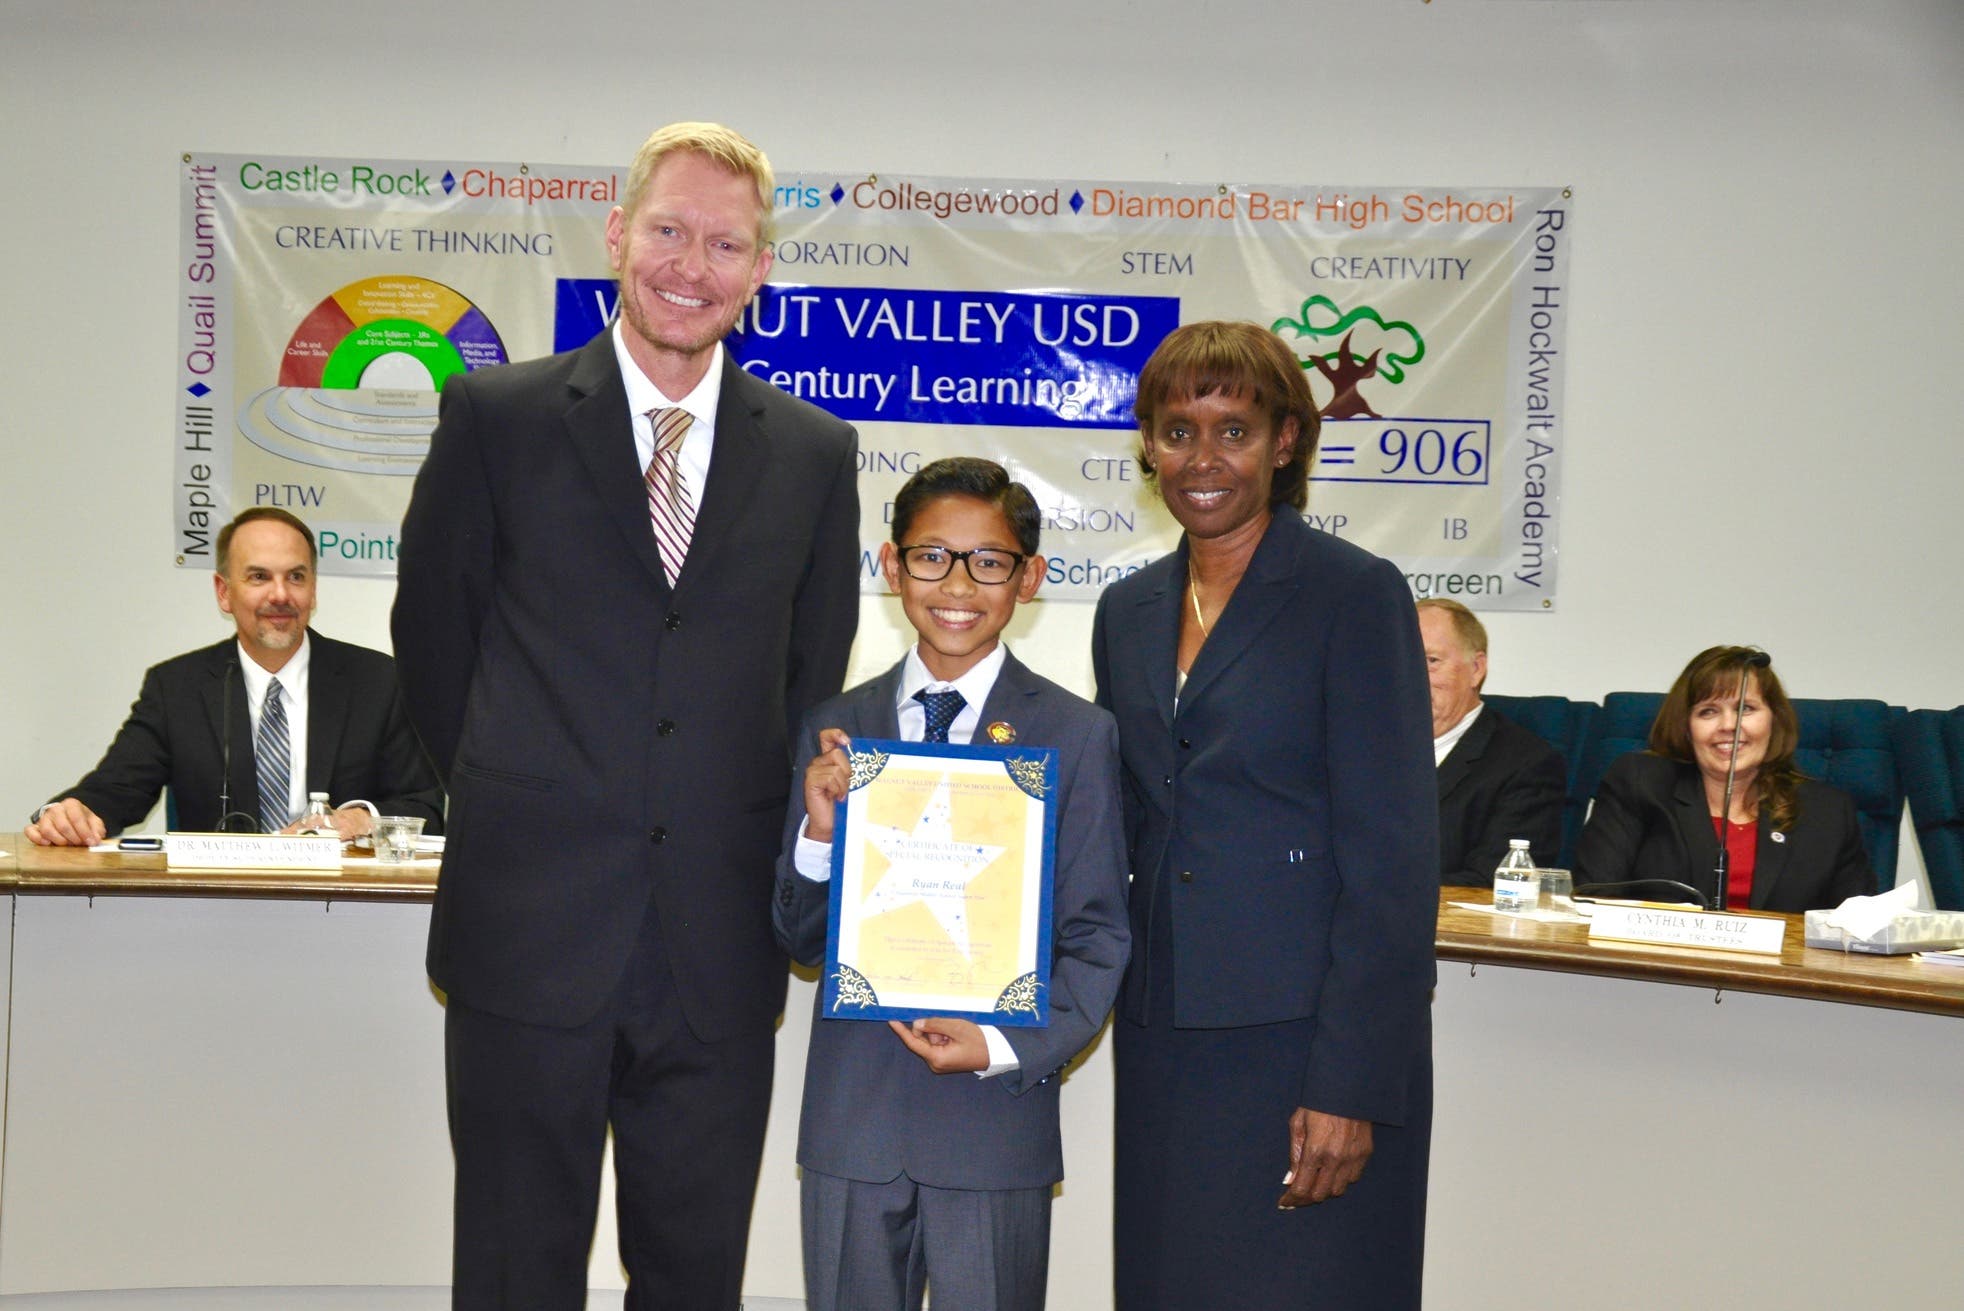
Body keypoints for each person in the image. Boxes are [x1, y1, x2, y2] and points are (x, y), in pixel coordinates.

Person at [389, 121, 860, 1310]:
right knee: (512, 1274)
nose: (689, 266)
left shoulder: (812, 454)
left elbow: (809, 675)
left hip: (713, 946)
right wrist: (523, 790)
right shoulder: (493, 418)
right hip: (525, 932)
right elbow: (434, 647)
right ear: (615, 235)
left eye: (724, 244)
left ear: (759, 274)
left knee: (694, 1279)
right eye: (667, 231)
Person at [1091, 322, 1437, 1309]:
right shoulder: (1127, 610)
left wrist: (1349, 1084)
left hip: (1305, 1049)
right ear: (1147, 446)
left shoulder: (1353, 596)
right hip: (1164, 1035)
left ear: (1284, 442)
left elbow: (1392, 859)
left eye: (1231, 430)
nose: (1201, 460)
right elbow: (1120, 820)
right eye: (1175, 431)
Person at [775, 457, 1129, 1311]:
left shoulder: (1075, 735)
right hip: (852, 1122)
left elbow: (1097, 933)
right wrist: (821, 833)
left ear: (1029, 578)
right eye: (932, 556)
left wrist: (1003, 1046)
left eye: (990, 560)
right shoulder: (834, 725)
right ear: (892, 566)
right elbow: (795, 936)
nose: (958, 583)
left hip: (991, 1122)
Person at [26, 507, 440, 845]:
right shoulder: (177, 688)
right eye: (259, 577)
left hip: (347, 909)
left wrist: (361, 820)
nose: (280, 595)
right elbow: (115, 791)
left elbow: (426, 807)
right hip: (214, 913)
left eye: (296, 577)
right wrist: (67, 815)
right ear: (224, 592)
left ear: (313, 591)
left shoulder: (380, 682)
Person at [1574, 645, 1874, 912]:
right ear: (1686, 728)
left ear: (1774, 719)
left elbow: (1859, 929)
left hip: (1779, 973)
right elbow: (1594, 900)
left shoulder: (1827, 812)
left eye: (1746, 709)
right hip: (1657, 968)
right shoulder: (1640, 783)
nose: (1728, 725)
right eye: (1708, 712)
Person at [1418, 597, 1566, 884]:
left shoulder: (1527, 764)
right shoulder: (1357, 750)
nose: (1410, 676)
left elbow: (1494, 884)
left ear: (1476, 669)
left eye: (1431, 661)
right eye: (1399, 660)